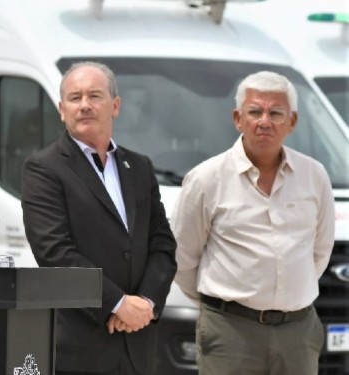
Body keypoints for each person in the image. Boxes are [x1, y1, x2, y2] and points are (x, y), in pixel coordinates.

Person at [172, 71, 333, 375]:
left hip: (297, 332)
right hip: (230, 333)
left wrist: (285, 296)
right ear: (238, 118)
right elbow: (182, 258)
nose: (265, 121)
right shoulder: (207, 178)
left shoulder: (315, 176)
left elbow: (320, 251)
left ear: (292, 122)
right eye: (255, 111)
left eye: (275, 113)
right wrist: (224, 307)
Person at [21, 61, 177, 375]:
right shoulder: (44, 168)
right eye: (75, 98)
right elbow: (55, 253)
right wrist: (118, 303)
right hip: (80, 345)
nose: (85, 105)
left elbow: (162, 244)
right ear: (62, 109)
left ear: (115, 106)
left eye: (95, 95)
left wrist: (146, 302)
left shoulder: (140, 167)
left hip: (137, 345)